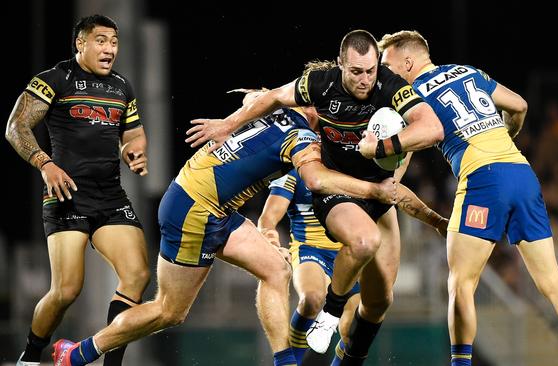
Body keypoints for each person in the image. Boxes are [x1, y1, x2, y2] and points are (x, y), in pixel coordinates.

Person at [51, 89, 398, 366]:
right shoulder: (303, 138)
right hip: (193, 209)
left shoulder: (281, 107)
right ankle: (79, 354)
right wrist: (375, 190)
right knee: (169, 310)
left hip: (214, 206)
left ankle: (285, 363)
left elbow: (258, 97)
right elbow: (315, 178)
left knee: (276, 270)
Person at [184, 30, 445, 364]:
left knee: (378, 305)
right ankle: (312, 332)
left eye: (370, 71)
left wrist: (381, 149)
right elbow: (275, 97)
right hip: (339, 196)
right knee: (345, 263)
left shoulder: (391, 86)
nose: (365, 80)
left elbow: (432, 129)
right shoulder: (319, 91)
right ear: (341, 65)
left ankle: (339, 348)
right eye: (356, 72)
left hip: (378, 197)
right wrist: (228, 124)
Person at [360, 29, 558, 366]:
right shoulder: (469, 72)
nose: (385, 74)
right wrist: (509, 133)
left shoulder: (410, 95)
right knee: (553, 282)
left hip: (483, 180)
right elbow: (520, 105)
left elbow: (403, 160)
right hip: (522, 174)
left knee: (461, 283)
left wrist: (383, 171)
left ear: (408, 61)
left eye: (388, 65)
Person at [5, 14, 150, 366]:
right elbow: (16, 126)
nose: (109, 49)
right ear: (80, 43)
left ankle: (111, 362)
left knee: (138, 275)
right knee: (66, 290)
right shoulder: (55, 79)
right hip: (66, 195)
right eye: (101, 40)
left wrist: (135, 150)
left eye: (114, 42)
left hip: (111, 196)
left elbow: (132, 133)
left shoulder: (121, 87)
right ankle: (32, 354)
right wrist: (45, 163)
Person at [258, 168, 447, 365]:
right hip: (311, 249)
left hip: (352, 256)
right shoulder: (298, 168)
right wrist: (271, 242)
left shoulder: (353, 164)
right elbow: (269, 216)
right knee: (312, 299)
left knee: (351, 332)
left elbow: (395, 192)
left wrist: (437, 221)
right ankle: (288, 363)